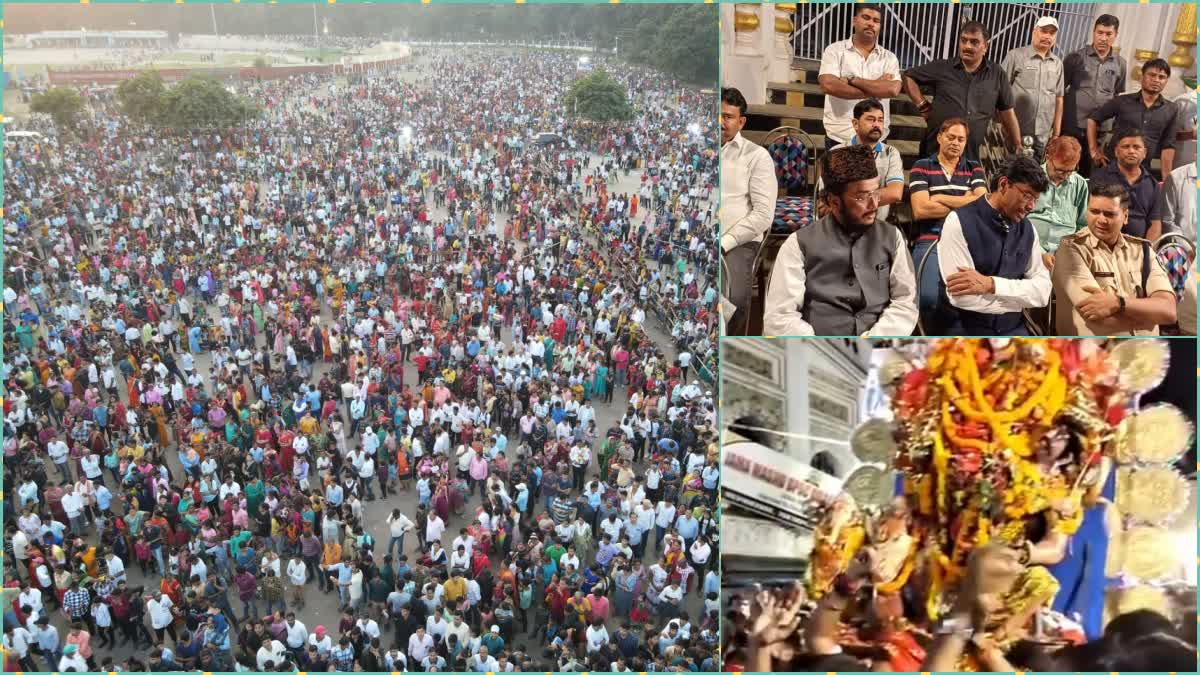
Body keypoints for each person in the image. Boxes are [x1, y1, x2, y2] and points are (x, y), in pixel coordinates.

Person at [763, 144, 917, 336]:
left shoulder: (892, 238)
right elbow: (779, 317)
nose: (874, 204)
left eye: (876, 192)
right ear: (833, 201)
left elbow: (905, 301)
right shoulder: (799, 244)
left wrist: (875, 339)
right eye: (862, 197)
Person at [936, 156, 1052, 335]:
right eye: (1027, 195)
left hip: (1014, 328)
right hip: (965, 329)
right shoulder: (958, 221)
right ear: (1004, 185)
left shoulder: (1028, 229)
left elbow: (1043, 292)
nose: (1031, 206)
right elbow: (963, 298)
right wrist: (1021, 299)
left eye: (1035, 199)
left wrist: (992, 285)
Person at [1051, 182, 1177, 335]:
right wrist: (1150, 319)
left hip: (1144, 350)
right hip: (1094, 351)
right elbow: (1099, 320)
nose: (1101, 220)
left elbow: (1169, 311)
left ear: (1125, 216)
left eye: (1109, 214)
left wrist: (1119, 303)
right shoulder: (1070, 249)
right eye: (1094, 212)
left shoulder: (1143, 250)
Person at [907, 118, 988, 334]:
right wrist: (965, 201)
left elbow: (982, 204)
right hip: (930, 238)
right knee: (927, 299)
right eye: (951, 137)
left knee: (970, 299)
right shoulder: (921, 167)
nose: (955, 143)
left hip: (967, 241)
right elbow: (921, 210)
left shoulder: (974, 168)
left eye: (961, 139)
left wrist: (940, 196)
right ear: (939, 137)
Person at [902, 21, 1022, 161]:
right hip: (934, 153)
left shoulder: (997, 74)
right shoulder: (942, 67)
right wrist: (922, 106)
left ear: (985, 46)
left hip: (968, 158)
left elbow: (1007, 112)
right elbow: (908, 76)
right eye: (963, 40)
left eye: (974, 42)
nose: (967, 46)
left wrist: (1017, 144)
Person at [720, 86, 778, 334]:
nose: (720, 122)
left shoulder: (757, 156)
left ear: (741, 122)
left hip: (737, 242)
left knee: (731, 297)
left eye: (727, 117)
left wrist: (725, 242)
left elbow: (763, 214)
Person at [816, 3, 902, 149]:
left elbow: (893, 89)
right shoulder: (835, 50)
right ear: (855, 20)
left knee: (876, 173)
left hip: (876, 137)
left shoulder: (889, 58)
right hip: (840, 137)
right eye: (866, 18)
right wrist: (877, 86)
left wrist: (852, 80)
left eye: (876, 21)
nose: (871, 24)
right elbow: (828, 85)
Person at [1088, 57, 1180, 179]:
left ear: (1166, 81)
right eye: (1152, 75)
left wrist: (1166, 179)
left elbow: (1168, 145)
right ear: (1142, 77)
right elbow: (1093, 119)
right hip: (1112, 166)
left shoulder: (1171, 109)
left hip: (1143, 172)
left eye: (1161, 77)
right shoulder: (1122, 101)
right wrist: (1094, 151)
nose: (1156, 80)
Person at [819, 99, 905, 222]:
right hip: (842, 224)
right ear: (855, 124)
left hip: (877, 224)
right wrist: (869, 198)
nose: (876, 124)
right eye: (870, 119)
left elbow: (895, 192)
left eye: (880, 120)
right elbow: (826, 200)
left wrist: (850, 201)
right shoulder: (837, 151)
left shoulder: (891, 153)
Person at [1061, 14, 1125, 178]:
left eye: (1108, 34)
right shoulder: (1075, 58)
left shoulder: (1120, 63)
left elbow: (1116, 93)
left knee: (1090, 171)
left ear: (1115, 35)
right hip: (1072, 124)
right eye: (1100, 32)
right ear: (1094, 32)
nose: (1103, 38)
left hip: (1100, 129)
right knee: (1065, 166)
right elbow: (1060, 89)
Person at [1001, 16, 1065, 160]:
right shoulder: (1015, 56)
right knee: (1012, 170)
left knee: (1035, 173)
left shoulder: (1057, 63)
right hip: (1016, 130)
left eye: (1052, 33)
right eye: (1044, 31)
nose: (1047, 36)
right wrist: (1003, 123)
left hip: (1043, 133)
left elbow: (1059, 99)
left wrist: (1056, 134)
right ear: (1034, 32)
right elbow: (1000, 91)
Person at [1088, 128, 1163, 240]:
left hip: (1139, 248)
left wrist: (1147, 249)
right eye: (1126, 146)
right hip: (1104, 244)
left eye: (1136, 147)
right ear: (1116, 152)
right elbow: (1093, 217)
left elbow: (1155, 223)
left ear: (1145, 153)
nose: (1131, 151)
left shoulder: (1153, 184)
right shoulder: (1100, 177)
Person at [1028, 135, 1089, 271]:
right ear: (1048, 156)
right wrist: (1040, 252)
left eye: (1070, 171)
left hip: (1066, 253)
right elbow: (1018, 222)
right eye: (1060, 170)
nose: (1065, 175)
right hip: (1031, 249)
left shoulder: (1079, 184)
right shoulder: (1030, 179)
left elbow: (1082, 225)